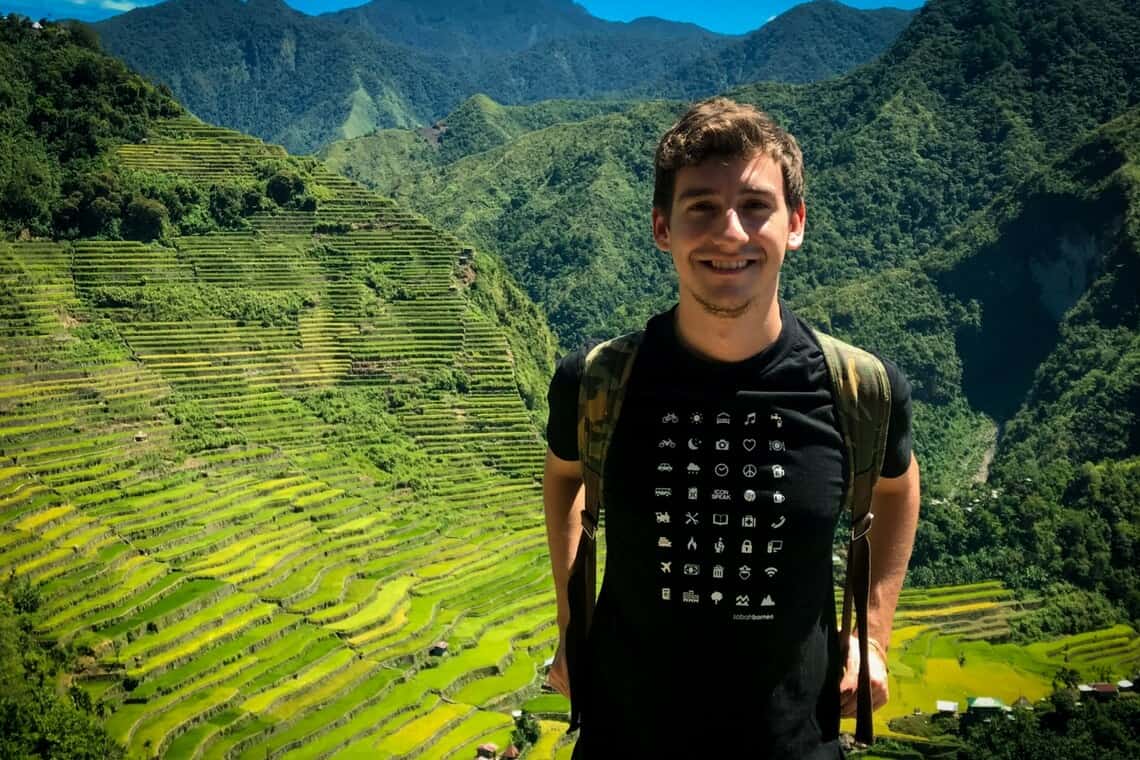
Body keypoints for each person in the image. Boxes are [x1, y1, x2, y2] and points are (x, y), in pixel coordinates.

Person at [541, 97, 921, 757]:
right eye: (701, 209)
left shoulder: (859, 390)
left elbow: (895, 487)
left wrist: (873, 635)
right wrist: (573, 625)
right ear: (663, 228)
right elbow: (565, 479)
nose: (732, 233)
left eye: (755, 206)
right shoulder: (598, 382)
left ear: (795, 224)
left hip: (795, 742)